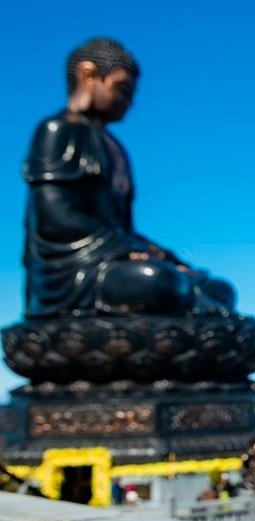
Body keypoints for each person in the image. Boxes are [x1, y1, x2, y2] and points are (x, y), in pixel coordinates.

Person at [21, 37, 236, 317]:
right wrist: (130, 248)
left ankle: (191, 301)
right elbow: (54, 218)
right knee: (159, 281)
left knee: (216, 287)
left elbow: (121, 226)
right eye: (121, 89)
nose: (129, 102)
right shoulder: (57, 129)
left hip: (112, 259)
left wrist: (155, 250)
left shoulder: (115, 148)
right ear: (88, 76)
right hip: (74, 272)